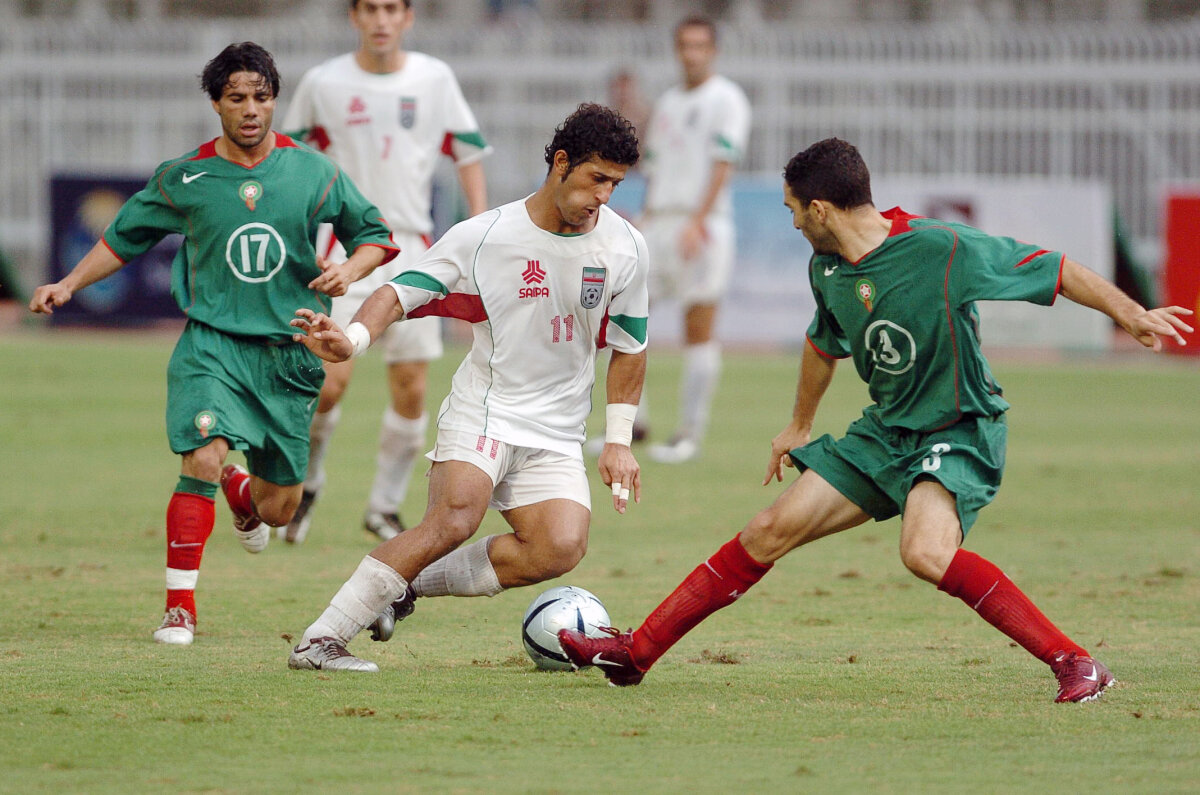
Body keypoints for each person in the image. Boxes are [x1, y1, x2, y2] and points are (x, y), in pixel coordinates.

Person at [558, 138, 1194, 702]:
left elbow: (1055, 270)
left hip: (959, 428)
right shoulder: (827, 267)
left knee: (924, 552)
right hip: (886, 432)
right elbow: (823, 343)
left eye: (793, 210)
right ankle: (636, 654)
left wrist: (1129, 313)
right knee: (768, 530)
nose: (792, 222)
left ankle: (1077, 663)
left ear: (820, 210)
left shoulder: (940, 248)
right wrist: (799, 425)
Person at [29, 42, 398, 646]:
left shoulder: (313, 171)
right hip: (213, 345)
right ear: (216, 104)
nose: (250, 109)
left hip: (288, 356)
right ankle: (179, 609)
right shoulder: (185, 177)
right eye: (236, 98)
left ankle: (241, 491)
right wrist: (68, 284)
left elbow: (374, 234)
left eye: (261, 97)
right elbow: (123, 238)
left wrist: (350, 270)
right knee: (201, 455)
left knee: (279, 509)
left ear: (274, 101)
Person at [285, 103, 647, 672]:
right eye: (596, 178)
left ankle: (403, 584)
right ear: (560, 163)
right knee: (455, 519)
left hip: (557, 430)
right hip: (486, 410)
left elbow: (631, 346)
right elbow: (398, 292)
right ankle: (320, 640)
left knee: (559, 547)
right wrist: (352, 340)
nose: (604, 196)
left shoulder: (625, 247)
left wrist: (619, 441)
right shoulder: (486, 236)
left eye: (615, 184)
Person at [281, 0, 491, 545]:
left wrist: (480, 232)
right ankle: (308, 485)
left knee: (411, 385)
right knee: (329, 383)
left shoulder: (434, 79)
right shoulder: (324, 82)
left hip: (413, 249)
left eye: (391, 8)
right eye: (370, 8)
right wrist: (301, 238)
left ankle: (383, 506)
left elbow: (468, 154)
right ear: (354, 16)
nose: (381, 19)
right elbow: (290, 164)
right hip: (343, 249)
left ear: (407, 17)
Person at [638, 16, 751, 463]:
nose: (691, 53)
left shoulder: (727, 98)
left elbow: (724, 163)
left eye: (700, 45)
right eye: (685, 45)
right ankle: (633, 425)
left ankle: (689, 432)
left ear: (713, 50)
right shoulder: (667, 102)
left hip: (704, 222)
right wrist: (646, 216)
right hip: (660, 220)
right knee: (624, 315)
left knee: (698, 327)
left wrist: (698, 220)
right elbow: (654, 167)